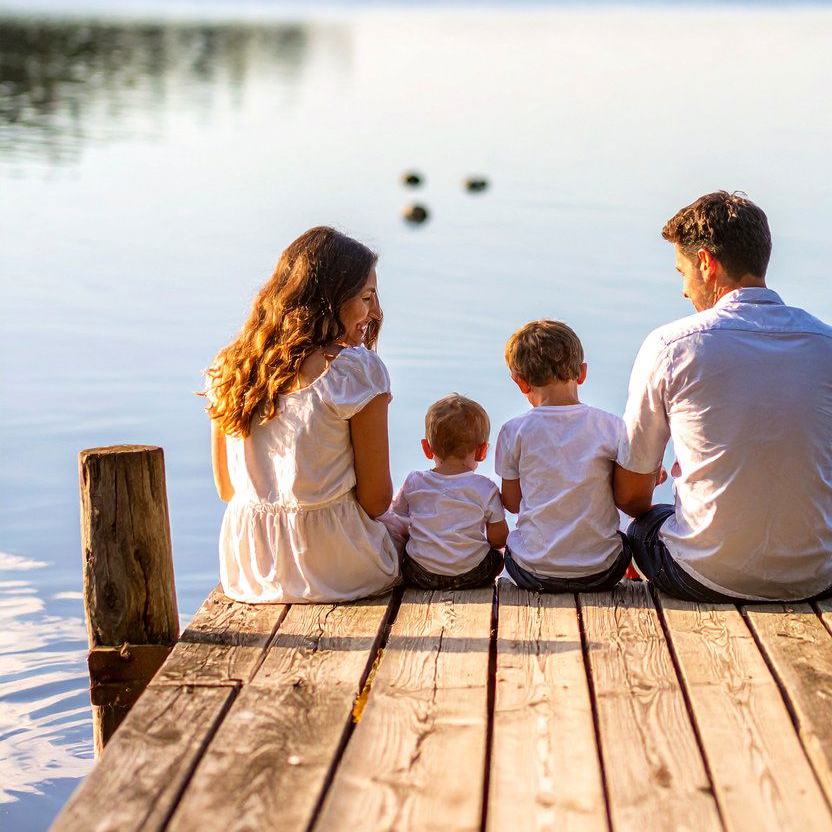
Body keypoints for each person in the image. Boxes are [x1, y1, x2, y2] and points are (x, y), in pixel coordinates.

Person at [614, 191, 832, 602]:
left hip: (704, 574)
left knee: (644, 527)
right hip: (821, 574)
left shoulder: (671, 346)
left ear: (707, 264)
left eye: (682, 272)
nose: (683, 290)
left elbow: (631, 496)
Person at [205, 226, 400, 603]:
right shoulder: (354, 372)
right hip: (338, 569)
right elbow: (376, 502)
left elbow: (227, 489)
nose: (375, 312)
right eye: (367, 296)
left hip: (252, 570)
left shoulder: (230, 367)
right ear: (330, 299)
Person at [496, 320, 631, 593]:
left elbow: (511, 503)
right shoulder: (612, 426)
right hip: (602, 572)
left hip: (533, 573)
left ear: (520, 382)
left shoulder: (514, 431)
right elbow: (623, 492)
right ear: (582, 373)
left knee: (512, 541)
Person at [387, 394, 508, 590]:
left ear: (427, 448)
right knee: (502, 555)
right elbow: (498, 539)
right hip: (474, 574)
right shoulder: (486, 488)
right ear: (482, 451)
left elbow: (397, 517)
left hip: (420, 574)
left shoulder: (414, 481)